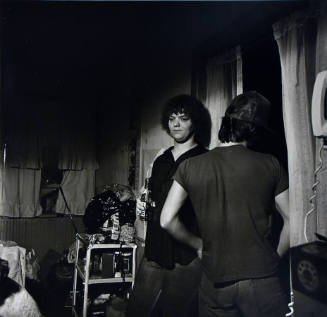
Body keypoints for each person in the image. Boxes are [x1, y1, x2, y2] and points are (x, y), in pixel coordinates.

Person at [161, 91, 290, 317]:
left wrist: (199, 245)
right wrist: (275, 258)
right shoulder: (271, 164)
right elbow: (293, 220)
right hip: (262, 280)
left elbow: (166, 220)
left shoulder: (190, 166)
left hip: (214, 280)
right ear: (254, 129)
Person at [126, 94, 210, 317]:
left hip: (187, 255)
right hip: (154, 250)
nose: (176, 124)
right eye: (172, 118)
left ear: (195, 122)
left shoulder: (205, 159)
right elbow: (149, 199)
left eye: (183, 118)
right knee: (136, 310)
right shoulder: (161, 159)